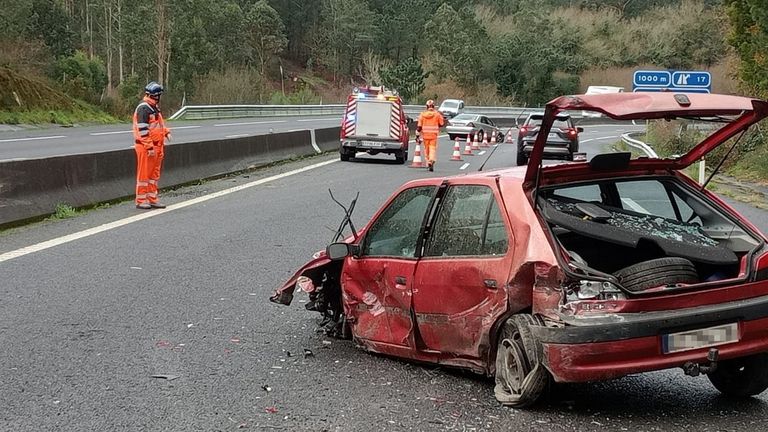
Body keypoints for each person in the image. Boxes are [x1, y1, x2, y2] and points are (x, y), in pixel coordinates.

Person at [132, 81, 170, 209]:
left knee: (154, 176)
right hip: (147, 148)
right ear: (156, 95)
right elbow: (143, 130)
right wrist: (149, 147)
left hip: (157, 146)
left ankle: (152, 198)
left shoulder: (153, 107)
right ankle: (141, 200)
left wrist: (166, 132)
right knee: (144, 175)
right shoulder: (144, 108)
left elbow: (159, 125)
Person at [416, 100, 446, 171]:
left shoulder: (422, 114)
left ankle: (428, 162)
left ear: (426, 106)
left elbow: (419, 127)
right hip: (433, 135)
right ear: (434, 106)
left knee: (426, 150)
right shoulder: (437, 114)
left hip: (425, 135)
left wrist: (417, 135)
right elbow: (441, 124)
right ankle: (431, 161)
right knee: (432, 149)